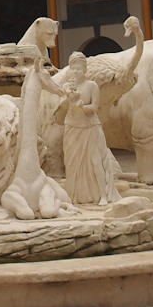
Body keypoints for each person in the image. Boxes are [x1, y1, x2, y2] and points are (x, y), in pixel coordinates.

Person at [58, 53, 118, 205]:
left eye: (78, 68)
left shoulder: (91, 86)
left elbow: (94, 107)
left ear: (84, 70)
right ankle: (75, 195)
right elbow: (62, 106)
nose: (75, 72)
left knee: (95, 162)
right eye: (73, 69)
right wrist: (68, 97)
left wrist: (82, 106)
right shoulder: (67, 86)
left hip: (89, 128)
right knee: (71, 162)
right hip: (72, 128)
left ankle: (103, 195)